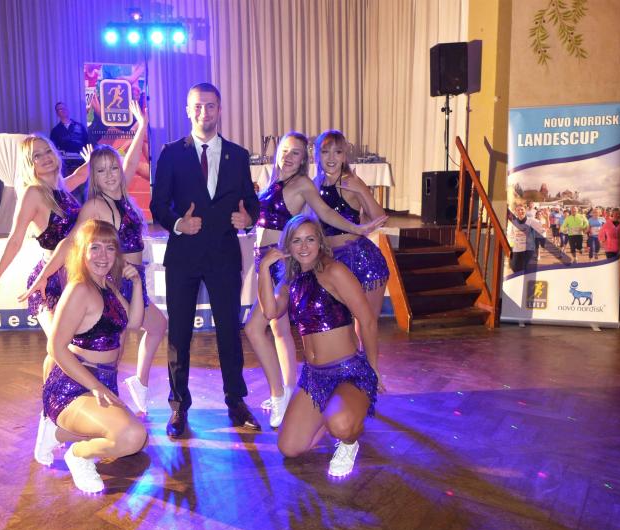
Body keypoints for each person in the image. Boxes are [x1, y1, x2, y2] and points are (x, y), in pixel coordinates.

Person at [22, 101, 165, 414]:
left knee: (143, 333)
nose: (110, 175)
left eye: (113, 168)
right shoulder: (96, 206)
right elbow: (69, 243)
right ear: (94, 178)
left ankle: (132, 387)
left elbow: (130, 159)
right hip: (118, 279)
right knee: (119, 341)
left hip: (133, 277)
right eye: (101, 171)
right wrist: (45, 275)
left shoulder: (121, 195)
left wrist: (142, 125)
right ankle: (66, 400)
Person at [0, 134, 90, 465]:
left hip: (76, 280)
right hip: (49, 283)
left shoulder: (62, 187)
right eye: (36, 156)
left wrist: (97, 161)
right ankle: (48, 421)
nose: (45, 158)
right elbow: (16, 239)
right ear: (28, 165)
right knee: (58, 350)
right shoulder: (34, 193)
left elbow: (82, 175)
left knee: (68, 350)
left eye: (48, 151)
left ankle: (61, 418)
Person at [245, 131, 386, 428]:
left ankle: (357, 383)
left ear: (304, 159)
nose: (288, 156)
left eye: (295, 152)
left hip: (291, 260)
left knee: (361, 324)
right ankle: (287, 392)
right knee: (280, 329)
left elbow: (327, 213)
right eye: (285, 150)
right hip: (272, 260)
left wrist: (358, 228)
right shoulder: (280, 183)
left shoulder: (307, 184)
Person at [149, 82, 261, 437]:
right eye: (197, 106)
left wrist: (248, 218)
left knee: (229, 331)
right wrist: (178, 223)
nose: (204, 112)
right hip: (183, 256)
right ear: (188, 110)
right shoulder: (171, 153)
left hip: (224, 256)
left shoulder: (238, 156)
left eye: (210, 106)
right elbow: (157, 205)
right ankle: (178, 406)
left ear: (220, 109)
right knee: (179, 334)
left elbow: (251, 203)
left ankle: (236, 401)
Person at [257, 215, 383, 477]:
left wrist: (373, 369)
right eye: (297, 241)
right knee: (289, 447)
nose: (304, 247)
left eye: (310, 239)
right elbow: (270, 311)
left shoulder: (334, 271)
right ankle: (332, 414)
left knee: (342, 426)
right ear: (288, 245)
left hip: (349, 372)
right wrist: (264, 268)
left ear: (320, 242)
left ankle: (349, 442)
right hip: (314, 376)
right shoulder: (289, 282)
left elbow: (368, 321)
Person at [37, 219, 147, 493]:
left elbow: (134, 323)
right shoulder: (79, 290)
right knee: (133, 436)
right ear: (82, 252)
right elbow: (55, 348)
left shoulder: (107, 285)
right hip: (72, 387)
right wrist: (96, 386)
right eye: (94, 247)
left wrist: (136, 283)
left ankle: (55, 432)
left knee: (136, 440)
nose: (102, 256)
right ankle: (78, 456)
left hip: (102, 382)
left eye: (109, 248)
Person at [314, 130, 390, 339]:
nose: (331, 158)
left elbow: (380, 217)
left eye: (337, 152)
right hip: (330, 260)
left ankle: (369, 361)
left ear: (344, 155)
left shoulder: (350, 182)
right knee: (340, 327)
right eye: (325, 152)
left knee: (366, 325)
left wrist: (361, 189)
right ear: (316, 154)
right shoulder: (314, 184)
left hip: (361, 260)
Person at [508, 204, 537, 272]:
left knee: (525, 269)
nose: (520, 211)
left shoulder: (531, 221)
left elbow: (542, 229)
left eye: (522, 209)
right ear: (515, 211)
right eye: (518, 210)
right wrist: (511, 247)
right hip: (516, 249)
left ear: (525, 210)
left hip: (527, 249)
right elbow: (511, 236)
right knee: (514, 268)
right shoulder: (514, 222)